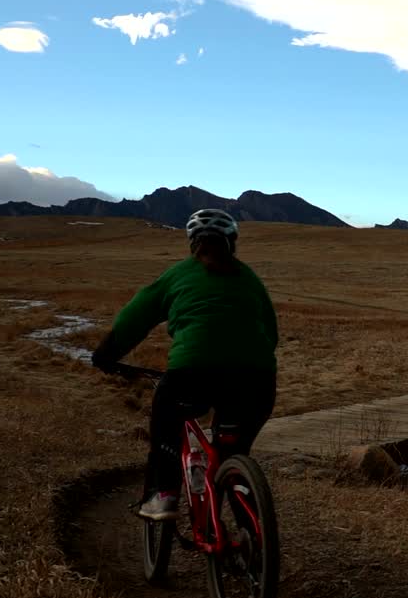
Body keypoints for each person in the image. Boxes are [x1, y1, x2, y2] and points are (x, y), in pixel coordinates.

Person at [92, 208, 278, 521]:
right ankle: (249, 533)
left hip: (193, 373)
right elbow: (270, 333)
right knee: (233, 452)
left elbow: (133, 319)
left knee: (167, 426)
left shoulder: (179, 274)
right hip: (257, 379)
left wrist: (105, 355)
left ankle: (163, 494)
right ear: (232, 243)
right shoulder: (249, 278)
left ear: (192, 243)